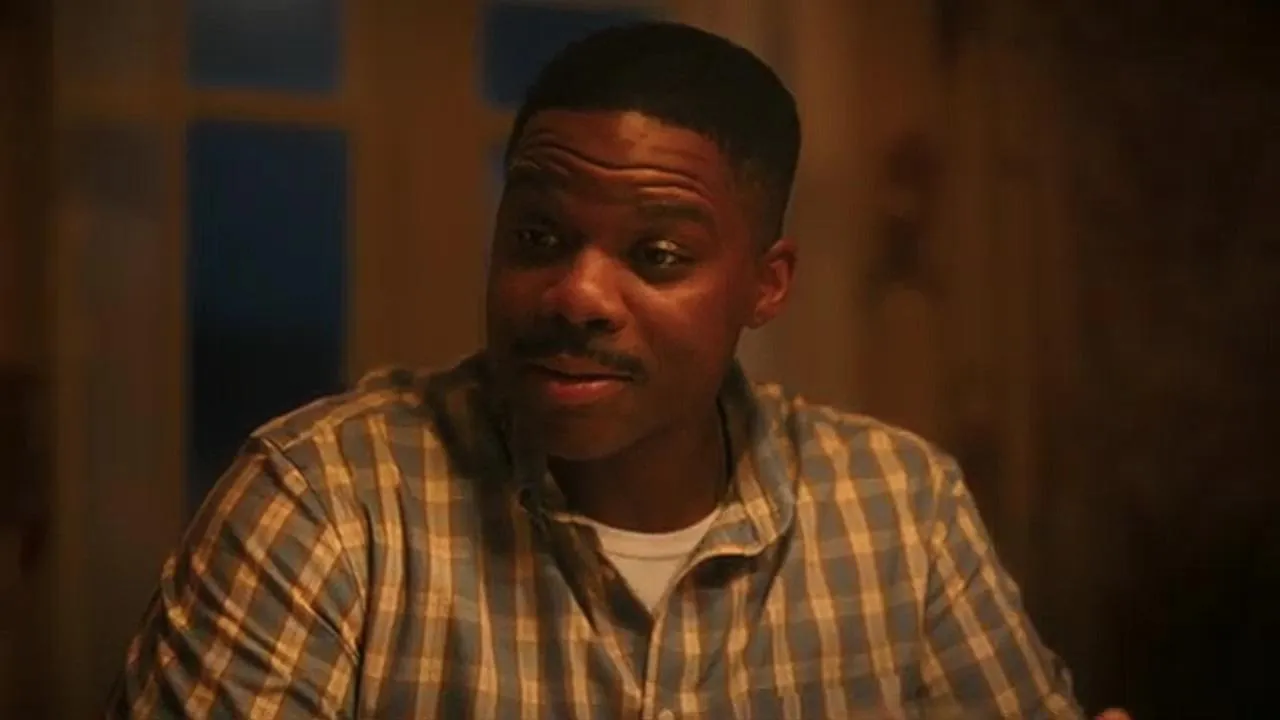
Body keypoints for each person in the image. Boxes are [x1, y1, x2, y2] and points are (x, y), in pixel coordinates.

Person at [109, 22, 1124, 719]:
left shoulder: (897, 509)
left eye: (658, 255)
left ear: (765, 285)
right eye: (538, 236)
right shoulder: (328, 505)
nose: (576, 295)